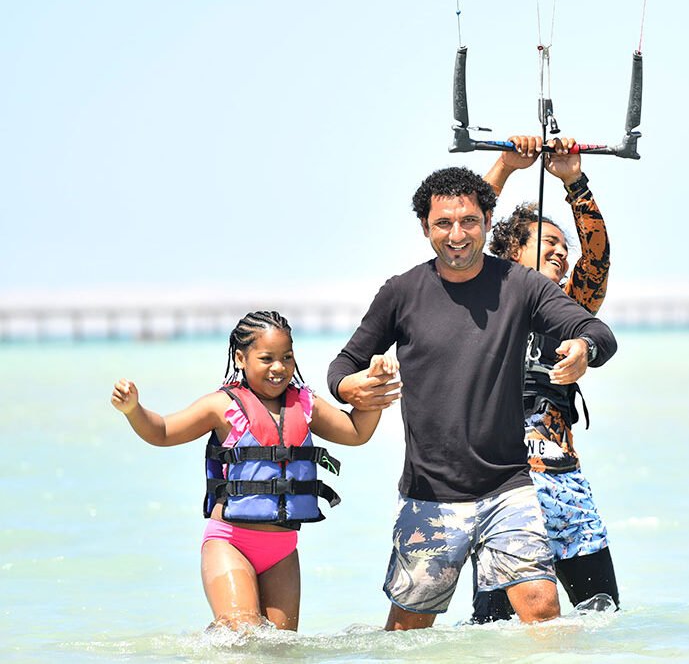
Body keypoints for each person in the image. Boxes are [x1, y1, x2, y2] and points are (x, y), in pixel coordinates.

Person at [325, 166, 617, 631]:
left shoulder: (521, 286)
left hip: (509, 489)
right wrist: (349, 387)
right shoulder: (402, 293)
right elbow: (342, 365)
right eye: (443, 223)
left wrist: (586, 348)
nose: (457, 234)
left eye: (469, 221)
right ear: (425, 228)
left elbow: (595, 329)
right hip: (430, 496)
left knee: (543, 613)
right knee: (407, 630)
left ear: (485, 221)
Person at [110, 310, 396, 631]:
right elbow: (162, 432)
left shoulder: (304, 404)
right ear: (241, 358)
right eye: (267, 358)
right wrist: (133, 410)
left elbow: (356, 432)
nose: (279, 368)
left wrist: (375, 388)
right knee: (242, 638)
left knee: (281, 650)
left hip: (282, 552)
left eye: (287, 357)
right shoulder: (221, 406)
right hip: (230, 544)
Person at [471, 136, 618, 622]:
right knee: (494, 631)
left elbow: (597, 258)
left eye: (563, 246)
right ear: (512, 249)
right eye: (548, 244)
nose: (561, 253)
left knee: (603, 616)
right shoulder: (479, 299)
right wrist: (507, 166)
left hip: (565, 485)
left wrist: (574, 182)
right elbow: (465, 230)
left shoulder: (571, 306)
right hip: (501, 489)